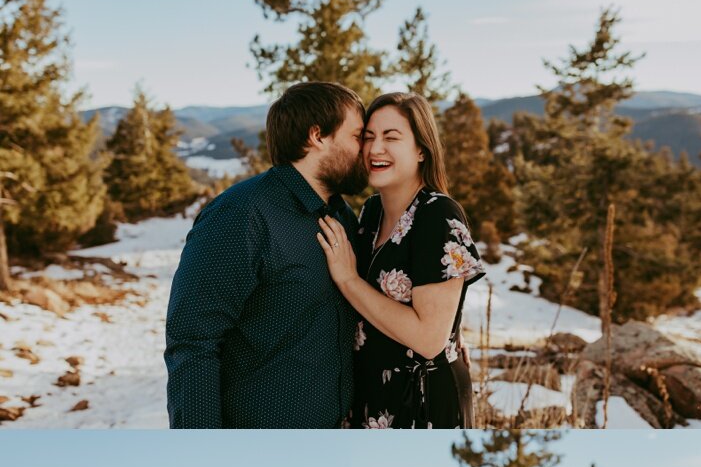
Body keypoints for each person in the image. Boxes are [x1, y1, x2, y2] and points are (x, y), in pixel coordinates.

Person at [165, 83, 366, 429]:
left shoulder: (342, 217)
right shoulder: (242, 215)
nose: (366, 149)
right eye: (358, 136)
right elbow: (193, 342)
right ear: (317, 136)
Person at [318, 91, 485, 429]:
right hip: (371, 395)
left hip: (421, 401)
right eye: (368, 137)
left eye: (391, 137)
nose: (375, 149)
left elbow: (428, 339)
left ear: (421, 149)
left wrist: (348, 280)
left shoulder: (437, 215)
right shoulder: (371, 212)